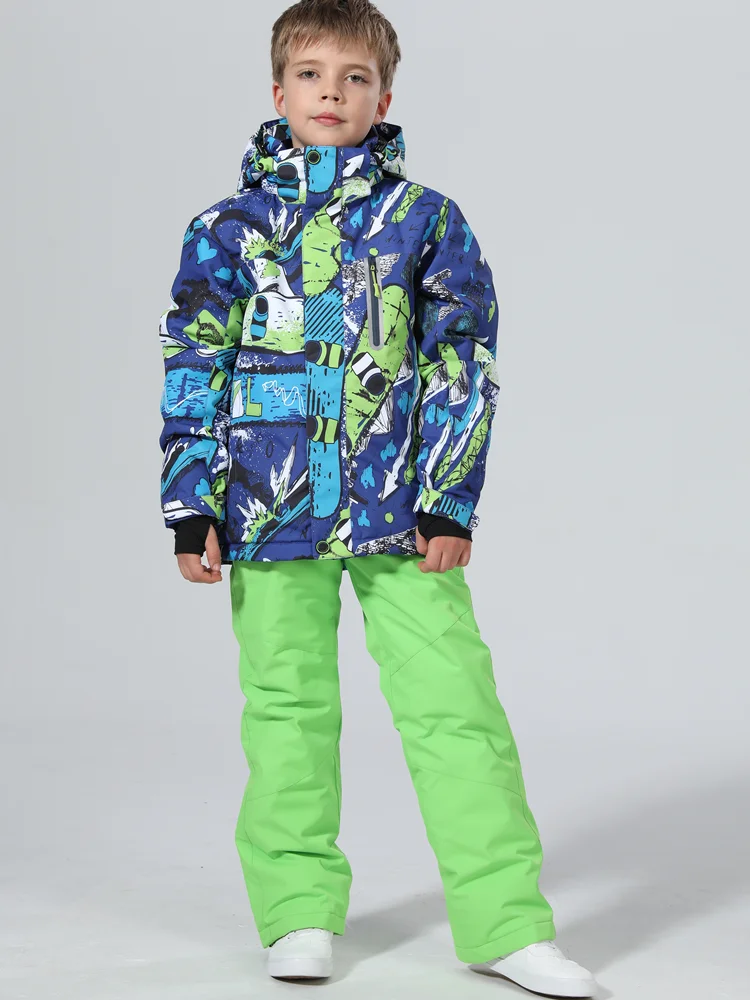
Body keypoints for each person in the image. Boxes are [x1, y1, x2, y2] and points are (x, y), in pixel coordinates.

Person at [157, 1, 598, 995]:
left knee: (454, 706)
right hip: (268, 505)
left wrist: (449, 498)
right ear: (279, 92)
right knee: (287, 710)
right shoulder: (226, 230)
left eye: (354, 77)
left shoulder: (427, 222)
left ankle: (503, 922)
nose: (332, 93)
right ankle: (296, 912)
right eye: (312, 75)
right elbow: (194, 361)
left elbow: (461, 361)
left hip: (398, 509)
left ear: (384, 97)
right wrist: (192, 501)